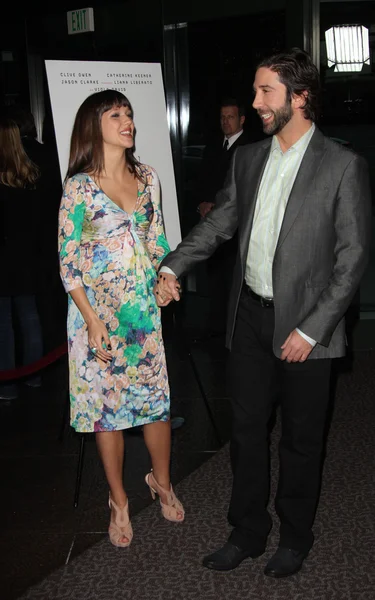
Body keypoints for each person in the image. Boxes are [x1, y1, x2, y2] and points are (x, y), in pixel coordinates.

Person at [154, 48, 371, 577]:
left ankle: (295, 536)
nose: (255, 104)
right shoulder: (248, 158)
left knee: (301, 438)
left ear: (300, 97)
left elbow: (353, 258)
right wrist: (172, 266)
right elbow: (219, 223)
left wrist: (313, 329)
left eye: (265, 91)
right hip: (249, 318)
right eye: (255, 92)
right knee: (247, 433)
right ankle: (247, 532)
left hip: (305, 327)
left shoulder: (343, 165)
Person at [58, 90, 184, 548]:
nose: (128, 121)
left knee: (156, 404)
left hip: (142, 315)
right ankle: (118, 500)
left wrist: (165, 278)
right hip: (96, 319)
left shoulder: (148, 177)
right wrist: (90, 320)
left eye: (129, 114)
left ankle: (162, 482)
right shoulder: (78, 187)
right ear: (95, 125)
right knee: (106, 414)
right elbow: (68, 264)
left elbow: (157, 241)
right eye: (116, 115)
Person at [195, 99, 259, 335]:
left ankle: (231, 331)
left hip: (235, 230)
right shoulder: (213, 146)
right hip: (210, 225)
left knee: (233, 282)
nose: (225, 121)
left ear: (242, 119)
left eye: (230, 117)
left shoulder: (251, 148)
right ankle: (215, 330)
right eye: (222, 117)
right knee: (214, 282)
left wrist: (217, 206)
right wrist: (201, 204)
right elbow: (201, 180)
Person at [0, 118, 45, 400]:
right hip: (27, 258)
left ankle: (7, 385)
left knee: (3, 323)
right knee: (29, 316)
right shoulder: (31, 179)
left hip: (4, 260)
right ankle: (35, 376)